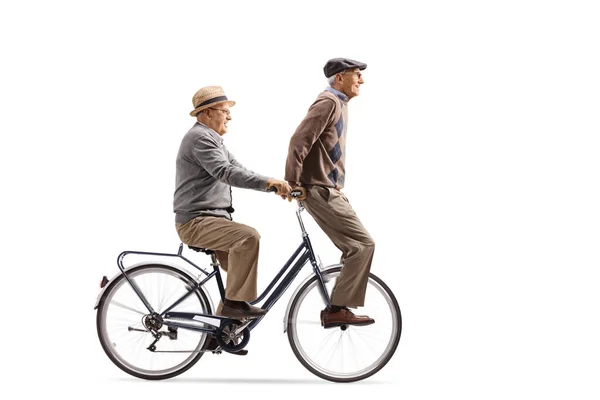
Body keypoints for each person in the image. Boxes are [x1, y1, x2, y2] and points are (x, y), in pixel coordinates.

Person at [174, 85, 291, 325]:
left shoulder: (213, 139)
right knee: (248, 238)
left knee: (240, 277)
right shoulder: (199, 138)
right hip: (196, 222)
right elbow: (225, 173)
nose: (229, 116)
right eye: (224, 111)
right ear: (207, 113)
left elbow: (238, 168)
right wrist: (269, 183)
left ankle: (220, 333)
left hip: (211, 220)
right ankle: (233, 308)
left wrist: (274, 184)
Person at [285, 58, 376, 329]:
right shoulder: (328, 102)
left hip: (328, 189)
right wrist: (292, 182)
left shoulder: (339, 103)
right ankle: (337, 308)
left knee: (357, 246)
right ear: (339, 78)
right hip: (319, 190)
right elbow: (298, 141)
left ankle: (339, 305)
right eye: (356, 75)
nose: (361, 80)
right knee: (362, 245)